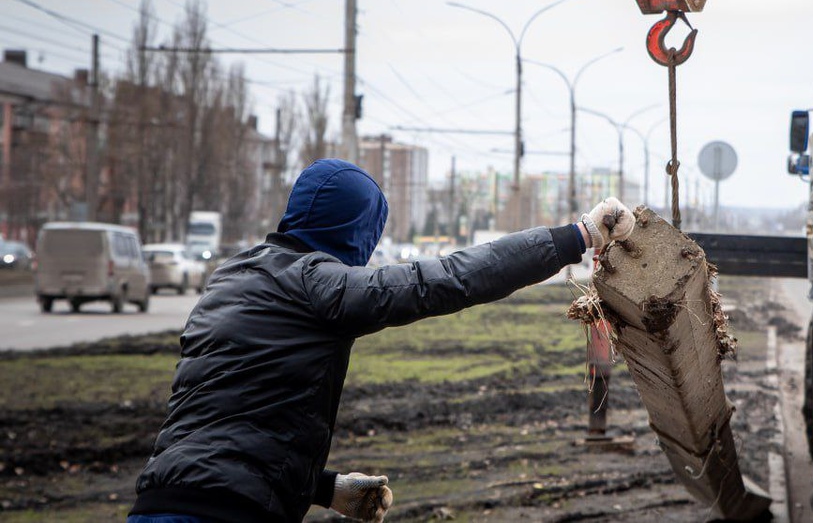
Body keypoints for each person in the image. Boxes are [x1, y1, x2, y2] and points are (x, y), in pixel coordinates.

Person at [127, 158, 634, 523]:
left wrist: (324, 488)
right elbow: (442, 280)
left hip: (159, 501)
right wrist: (577, 236)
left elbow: (228, 417)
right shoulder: (318, 284)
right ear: (358, 231)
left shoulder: (230, 277)